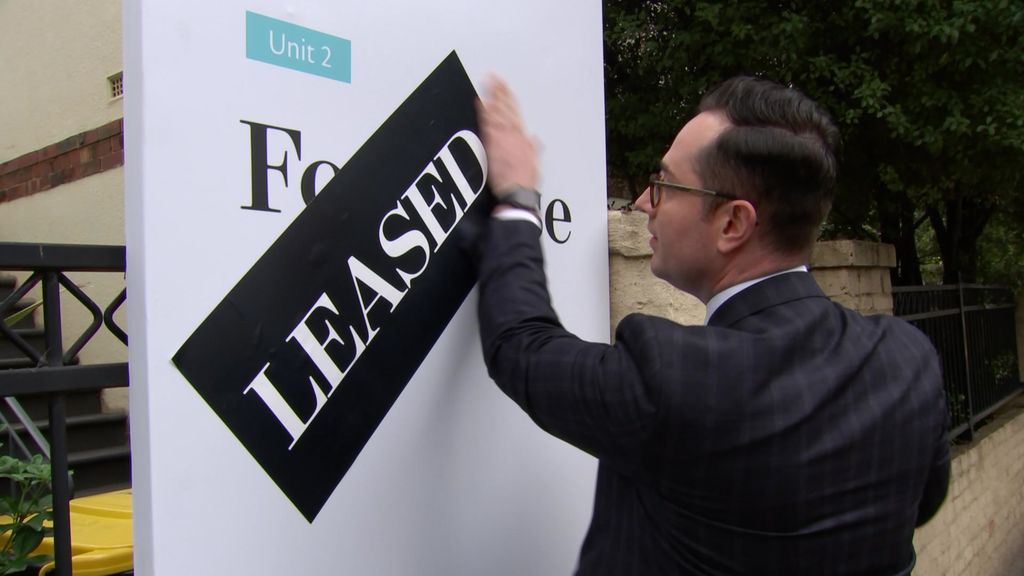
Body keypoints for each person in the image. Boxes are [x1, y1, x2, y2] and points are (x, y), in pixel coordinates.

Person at [473, 75, 950, 575]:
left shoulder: (676, 379)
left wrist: (517, 199)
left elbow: (520, 346)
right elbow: (921, 502)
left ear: (732, 224)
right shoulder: (908, 359)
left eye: (662, 184)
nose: (641, 203)